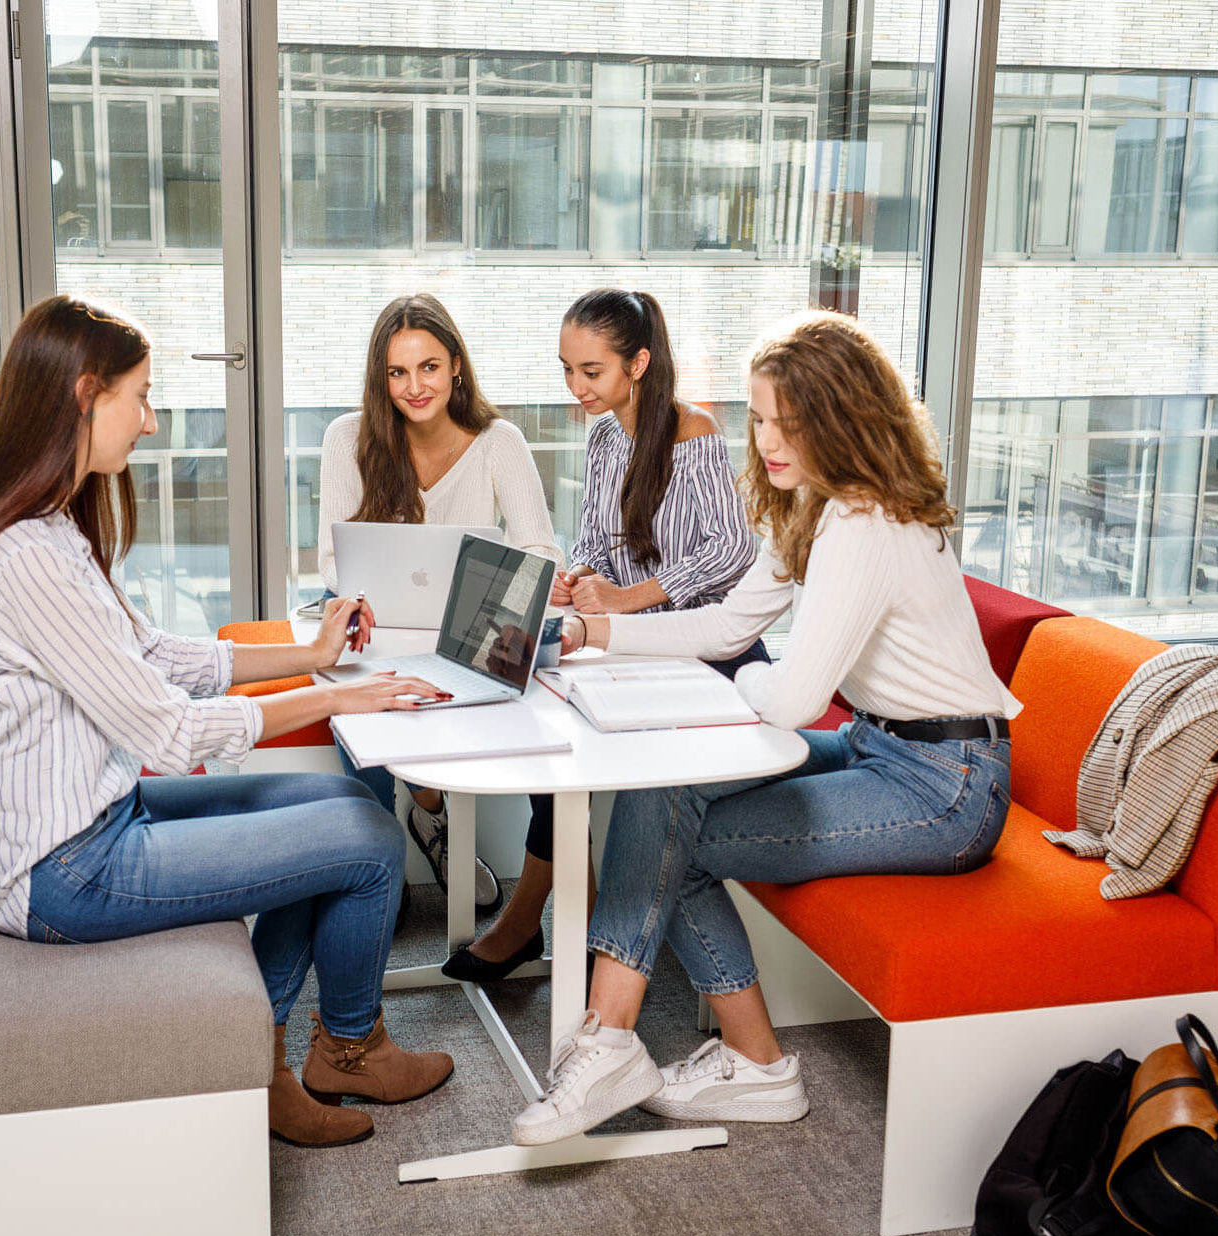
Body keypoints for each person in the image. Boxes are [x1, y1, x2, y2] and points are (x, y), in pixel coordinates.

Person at [0, 295, 453, 1152]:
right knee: (366, 847)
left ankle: (278, 1061)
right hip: (59, 868)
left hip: (95, 818)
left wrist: (312, 654)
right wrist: (333, 696)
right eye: (139, 398)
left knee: (350, 817)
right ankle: (342, 1050)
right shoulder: (28, 556)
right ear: (82, 396)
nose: (147, 423)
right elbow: (170, 736)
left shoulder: (54, 529)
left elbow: (161, 658)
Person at [509, 310, 1020, 1146]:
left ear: (844, 419)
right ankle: (634, 1046)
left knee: (685, 840)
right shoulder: (816, 506)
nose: (770, 440)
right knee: (665, 783)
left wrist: (747, 670)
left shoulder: (867, 525)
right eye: (759, 416)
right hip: (878, 747)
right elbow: (721, 624)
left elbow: (785, 697)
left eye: (792, 422)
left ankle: (713, 1060)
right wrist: (598, 632)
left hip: (948, 786)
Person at [440, 288, 757, 983]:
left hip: (707, 653)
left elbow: (731, 552)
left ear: (638, 363)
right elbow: (597, 545)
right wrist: (578, 576)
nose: (576, 387)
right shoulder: (606, 436)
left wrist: (624, 598)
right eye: (567, 370)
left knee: (565, 732)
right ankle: (544, 920)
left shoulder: (693, 431)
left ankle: (538, 923)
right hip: (634, 644)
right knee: (536, 711)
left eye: (592, 371)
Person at [318, 293, 563, 911]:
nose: (414, 386)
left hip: (471, 628)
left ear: (456, 364)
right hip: (382, 622)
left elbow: (540, 550)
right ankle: (377, 866)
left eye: (429, 366)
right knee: (355, 692)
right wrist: (362, 600)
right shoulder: (347, 438)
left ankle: (429, 809)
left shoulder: (498, 440)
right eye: (397, 372)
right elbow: (331, 558)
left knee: (544, 667)